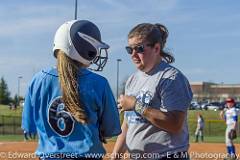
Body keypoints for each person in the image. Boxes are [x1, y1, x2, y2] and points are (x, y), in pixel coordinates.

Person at [21, 20, 121, 160]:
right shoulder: (99, 83)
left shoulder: (37, 81)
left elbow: (29, 127)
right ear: (84, 46)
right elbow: (110, 130)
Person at [112, 23, 193, 160]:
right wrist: (115, 156)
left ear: (156, 48)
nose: (133, 54)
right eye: (129, 49)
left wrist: (136, 105)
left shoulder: (171, 78)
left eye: (139, 49)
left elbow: (175, 124)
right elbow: (127, 124)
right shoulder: (132, 79)